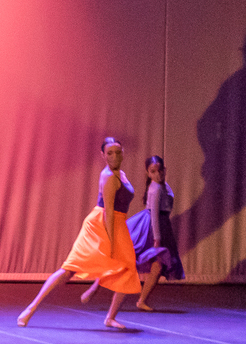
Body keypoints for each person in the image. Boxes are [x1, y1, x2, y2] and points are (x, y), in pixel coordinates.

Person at [17, 137, 140, 329]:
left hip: (118, 223)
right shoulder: (108, 176)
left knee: (128, 268)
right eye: (110, 153)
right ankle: (30, 309)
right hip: (101, 224)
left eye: (118, 152)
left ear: (123, 153)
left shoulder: (121, 174)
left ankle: (110, 317)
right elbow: (108, 211)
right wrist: (110, 241)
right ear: (103, 155)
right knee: (70, 269)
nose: (114, 156)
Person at [80, 154, 183, 311]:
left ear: (165, 170)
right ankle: (95, 287)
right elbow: (154, 214)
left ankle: (141, 300)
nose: (158, 174)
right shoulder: (155, 188)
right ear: (148, 173)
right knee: (126, 261)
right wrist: (157, 238)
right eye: (153, 171)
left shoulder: (163, 186)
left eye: (160, 171)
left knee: (157, 266)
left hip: (160, 226)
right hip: (149, 228)